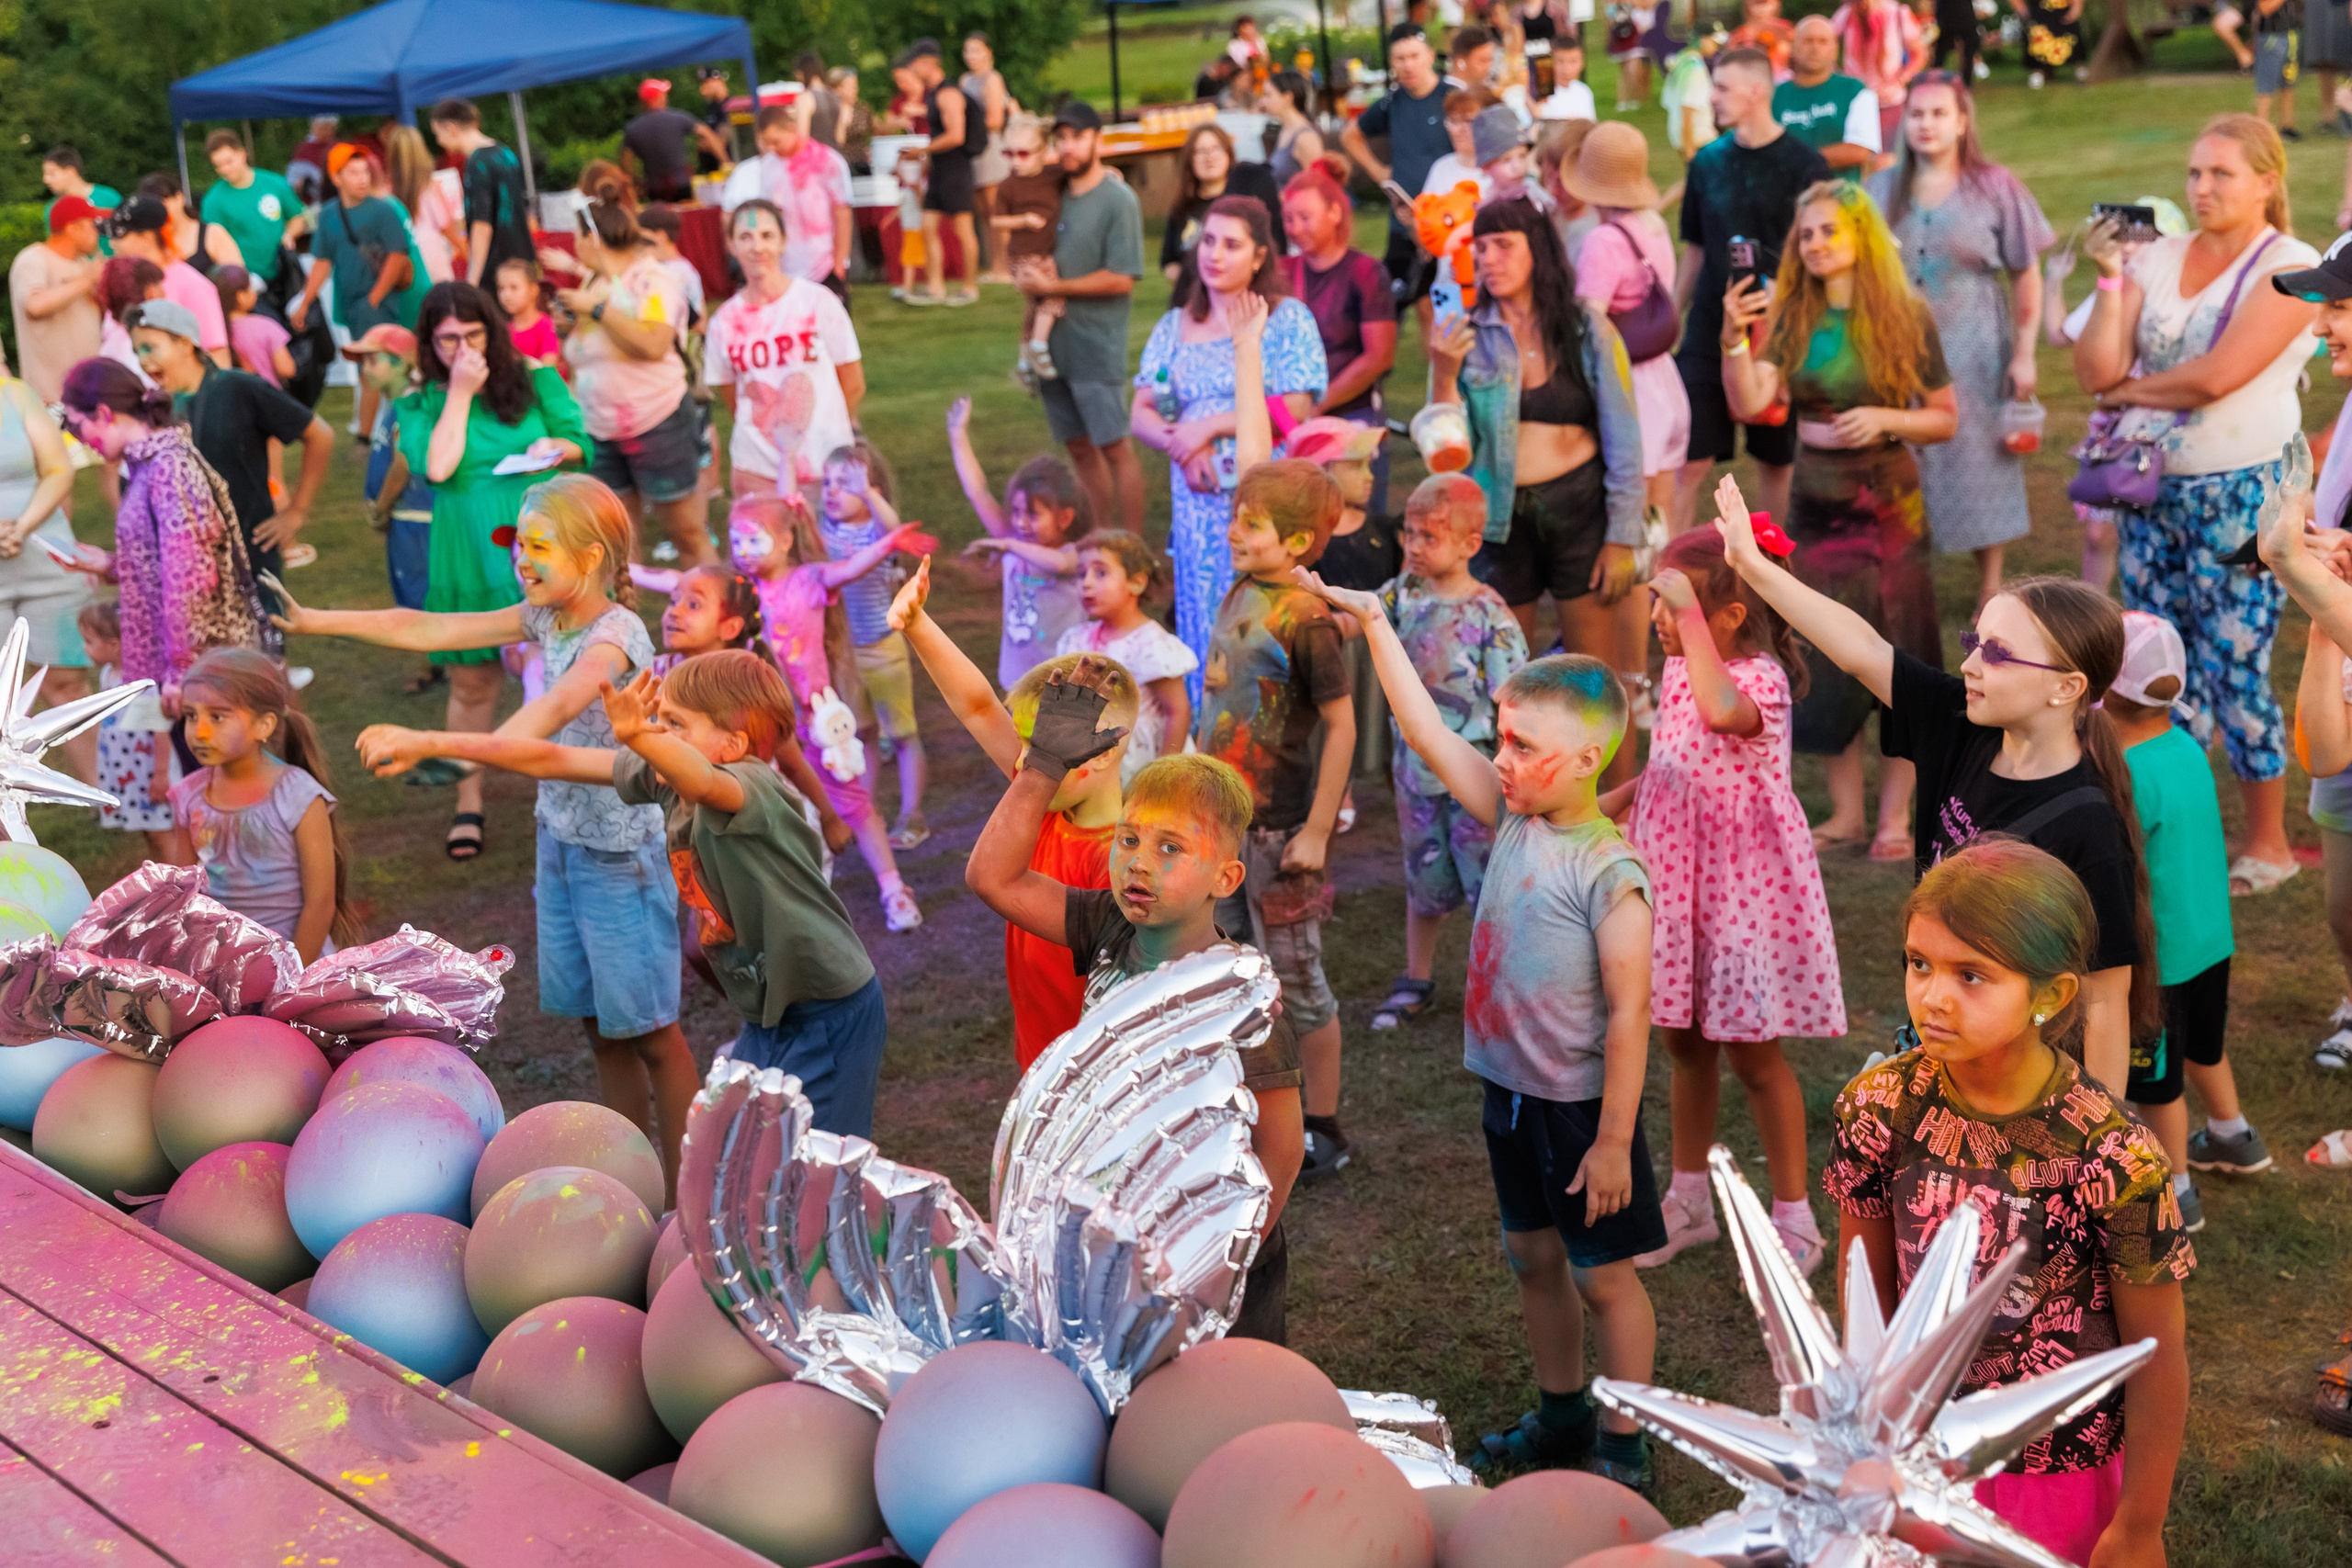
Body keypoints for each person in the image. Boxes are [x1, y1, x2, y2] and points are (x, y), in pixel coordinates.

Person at [1314, 555, 1667, 1483]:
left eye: (1520, 746)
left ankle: (1625, 1444)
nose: (1499, 760)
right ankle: (1561, 1413)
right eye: (1500, 740)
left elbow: (1631, 1017)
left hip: (1581, 1111)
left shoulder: (1609, 874)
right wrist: (1376, 627)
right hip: (1508, 1094)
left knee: (1603, 1278)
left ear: (1588, 760)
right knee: (1530, 1256)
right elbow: (1428, 732)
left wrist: (1610, 1141)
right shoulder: (1512, 821)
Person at [277, 479, 692, 1199]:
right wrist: (312, 618)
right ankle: (635, 1180)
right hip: (560, 843)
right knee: (600, 1026)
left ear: (591, 556)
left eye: (539, 547)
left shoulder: (615, 635)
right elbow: (429, 629)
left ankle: (693, 1194)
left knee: (653, 1032)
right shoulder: (544, 616)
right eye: (519, 546)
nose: (522, 561)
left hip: (620, 856)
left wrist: (437, 742)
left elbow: (561, 704)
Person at [1715, 474, 2157, 1104]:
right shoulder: (1963, 725)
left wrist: (2101, 1137)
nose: (1972, 663)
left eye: (1999, 653)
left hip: (2021, 1081)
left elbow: (2108, 1001)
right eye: (1975, 641)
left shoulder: (2086, 826)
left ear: (2066, 688)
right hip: (1945, 1044)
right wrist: (1753, 569)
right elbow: (1863, 649)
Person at [1824, 839, 2191, 1568]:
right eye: (1918, 962)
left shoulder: (2115, 1157)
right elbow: (1862, 1292)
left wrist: (2141, 1522)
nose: (1932, 995)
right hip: (1916, 1457)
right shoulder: (1878, 1107)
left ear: (2050, 996)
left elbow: (2157, 1358)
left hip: (2058, 1469)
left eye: (1972, 975)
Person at [966, 725, 1306, 1344]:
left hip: (1213, 1264)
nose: (1138, 862)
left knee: (1214, 1414)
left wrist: (1220, 1261)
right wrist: (1042, 765)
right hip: (1114, 1231)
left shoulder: (1243, 1002)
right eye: (1129, 838)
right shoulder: (1109, 926)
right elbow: (995, 877)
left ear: (1225, 878)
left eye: (1170, 848)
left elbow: (1281, 1147)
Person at [2071, 113, 2319, 896]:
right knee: (2152, 662)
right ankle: (2177, 829)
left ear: (2267, 181)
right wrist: (2112, 279)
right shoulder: (2159, 254)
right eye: (2194, 174)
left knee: (2236, 661)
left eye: (2222, 174)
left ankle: (2270, 841)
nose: (2202, 188)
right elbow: (2093, 366)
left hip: (2241, 489)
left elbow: (2219, 376)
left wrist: (2126, 389)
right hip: (2150, 491)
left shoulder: (2291, 262)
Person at [1617, 525, 1841, 1274]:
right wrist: (1595, 802)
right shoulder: (1683, 670)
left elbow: (1721, 713)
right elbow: (1666, 768)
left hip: (1741, 893)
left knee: (1754, 1057)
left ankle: (1795, 1216)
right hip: (1677, 883)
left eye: (1672, 602)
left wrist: (1687, 624)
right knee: (1682, 1044)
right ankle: (1689, 1201)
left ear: (1731, 616)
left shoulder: (1757, 682)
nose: (1657, 616)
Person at [1720, 181, 1952, 856]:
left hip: (1887, 499)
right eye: (1807, 234)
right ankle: (1847, 813)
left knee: (1899, 649)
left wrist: (1887, 417)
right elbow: (1750, 402)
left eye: (1829, 232)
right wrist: (1734, 338)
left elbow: (1945, 417)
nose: (1816, 245)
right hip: (1816, 500)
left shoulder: (1906, 314)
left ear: (1860, 238)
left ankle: (1894, 820)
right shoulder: (1792, 315)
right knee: (1817, 648)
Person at [888, 556, 1127, 1061]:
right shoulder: (1040, 799)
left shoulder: (1121, 863)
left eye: (1041, 747)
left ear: (1099, 753)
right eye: (1024, 743)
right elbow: (978, 707)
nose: (1022, 761)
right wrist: (917, 624)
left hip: (1089, 1077)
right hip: (1037, 1057)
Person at [1193, 457, 1357, 1183]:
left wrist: (1317, 829)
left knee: (1298, 979)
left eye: (1250, 524)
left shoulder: (1307, 619)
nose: (1233, 531)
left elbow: (1343, 727)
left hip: (1279, 829)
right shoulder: (1241, 589)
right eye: (1236, 516)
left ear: (1295, 541)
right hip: (1221, 822)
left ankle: (1323, 1124)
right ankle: (1247, 1106)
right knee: (1228, 966)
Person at [1425, 197, 1645, 726]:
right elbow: (1442, 449)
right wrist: (1442, 373)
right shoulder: (1465, 336)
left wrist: (1622, 538)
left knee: (1596, 682)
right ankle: (1521, 804)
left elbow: (1625, 437)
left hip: (1580, 511)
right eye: (1480, 248)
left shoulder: (1585, 330)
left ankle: (1615, 809)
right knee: (1507, 682)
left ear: (1538, 250)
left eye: (1504, 245)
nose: (1488, 259)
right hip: (1501, 522)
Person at [396, 280, 594, 859]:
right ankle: (469, 800)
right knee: (474, 680)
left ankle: (574, 787)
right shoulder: (419, 403)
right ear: (430, 344)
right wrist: (459, 393)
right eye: (448, 338)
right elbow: (437, 467)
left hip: (540, 539)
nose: (463, 347)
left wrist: (557, 450)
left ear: (493, 330)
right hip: (467, 547)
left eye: (473, 334)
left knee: (559, 672)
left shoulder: (535, 379)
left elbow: (581, 441)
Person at [2101, 612, 2266, 1232]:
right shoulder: (2187, 746)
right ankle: (2233, 1134)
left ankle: (2175, 1190)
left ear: (2102, 690)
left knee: (2155, 1087)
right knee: (2204, 1046)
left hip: (2160, 956)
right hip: (2209, 939)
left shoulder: (2127, 773)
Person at [1348, 474, 1528, 1035]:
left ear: (1471, 544)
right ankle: (1416, 977)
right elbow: (1361, 618)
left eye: (1429, 537)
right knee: (1422, 879)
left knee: (1489, 885)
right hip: (1414, 775)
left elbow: (1512, 701)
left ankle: (1504, 989)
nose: (1414, 546)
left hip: (1475, 778)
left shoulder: (1490, 616)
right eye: (1409, 533)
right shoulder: (1404, 593)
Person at [1871, 73, 2053, 605]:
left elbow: (2026, 270)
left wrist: (2024, 352)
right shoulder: (1881, 189)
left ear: (1962, 121)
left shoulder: (1995, 187)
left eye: (1938, 114)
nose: (1926, 125)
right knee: (1900, 453)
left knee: (1978, 457)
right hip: (1897, 344)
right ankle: (1905, 569)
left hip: (1973, 341)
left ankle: (1990, 582)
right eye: (1916, 114)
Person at [1131, 202, 1327, 689]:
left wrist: (1210, 428)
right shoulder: (1174, 325)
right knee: (1203, 610)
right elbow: (1140, 413)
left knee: (1258, 609)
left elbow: (1296, 406)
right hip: (1196, 505)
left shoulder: (1285, 318)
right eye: (1210, 241)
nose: (1215, 254)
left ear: (1259, 256)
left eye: (1232, 244)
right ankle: (1204, 729)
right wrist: (1185, 447)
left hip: (1260, 492)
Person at [719, 491, 927, 932]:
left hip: (816, 722)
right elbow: (677, 583)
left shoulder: (810, 580)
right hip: (758, 725)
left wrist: (889, 544)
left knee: (853, 804)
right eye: (734, 541)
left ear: (785, 539)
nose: (741, 552)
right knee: (775, 812)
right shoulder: (738, 592)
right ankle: (790, 902)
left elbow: (852, 568)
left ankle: (894, 890)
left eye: (751, 540)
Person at [1673, 47, 1830, 533]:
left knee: (1776, 459)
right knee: (1688, 455)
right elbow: (1696, 250)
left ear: (1757, 91)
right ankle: (1668, 576)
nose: (1711, 98)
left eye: (1721, 88)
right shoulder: (1707, 163)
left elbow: (1818, 260)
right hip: (1709, 328)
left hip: (1779, 331)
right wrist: (1670, 320)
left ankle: (1772, 573)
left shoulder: (1806, 166)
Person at [54, 357, 266, 717]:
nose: (79, 441)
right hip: (184, 669)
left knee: (214, 769)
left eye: (77, 429)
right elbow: (164, 559)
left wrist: (184, 670)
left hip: (206, 672)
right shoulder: (147, 466)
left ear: (104, 413)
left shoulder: (168, 467)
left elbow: (190, 577)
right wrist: (108, 563)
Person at [170, 649, 359, 965]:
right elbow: (184, 896)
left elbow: (320, 903)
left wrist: (289, 975)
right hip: (219, 964)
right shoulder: (187, 796)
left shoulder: (298, 796)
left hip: (298, 963)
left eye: (217, 717)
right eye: (191, 716)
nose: (199, 732)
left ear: (264, 725)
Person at [130, 299, 333, 586]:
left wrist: (296, 512)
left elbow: (319, 435)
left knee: (260, 630)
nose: (142, 360)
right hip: (190, 566)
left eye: (150, 347)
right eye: (137, 350)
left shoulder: (238, 388)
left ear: (186, 345)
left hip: (250, 557)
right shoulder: (157, 408)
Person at [557, 173, 703, 568]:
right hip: (600, 429)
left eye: (576, 238)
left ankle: (716, 613)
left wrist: (598, 309)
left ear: (591, 239)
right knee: (617, 541)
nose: (574, 247)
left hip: (657, 422)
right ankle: (625, 623)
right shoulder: (593, 280)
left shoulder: (652, 281)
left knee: (686, 532)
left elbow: (653, 343)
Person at [1028, 102, 1148, 535]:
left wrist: (1054, 289)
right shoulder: (1052, 194)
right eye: (1060, 139)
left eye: (1076, 137)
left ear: (1097, 139)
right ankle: (1099, 537)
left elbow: (1121, 278)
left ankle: (1133, 549)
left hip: (1096, 345)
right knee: (1078, 448)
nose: (1068, 147)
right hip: (1052, 349)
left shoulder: (1119, 201)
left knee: (1115, 448)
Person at [704, 200, 865, 507]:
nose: (757, 247)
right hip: (756, 466)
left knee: (829, 551)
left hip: (825, 462)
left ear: (783, 241)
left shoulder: (818, 302)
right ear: (731, 244)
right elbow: (733, 397)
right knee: (766, 552)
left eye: (767, 235)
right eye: (745, 237)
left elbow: (853, 382)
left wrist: (822, 425)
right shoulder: (723, 322)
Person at [1569, 121, 1689, 528]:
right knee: (1664, 509)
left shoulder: (1603, 240)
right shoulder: (1652, 225)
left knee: (1634, 513)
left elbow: (1591, 320)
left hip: (1629, 382)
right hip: (1665, 379)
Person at [812, 440, 928, 849]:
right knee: (860, 734)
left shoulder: (877, 533)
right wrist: (789, 456)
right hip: (846, 652)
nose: (831, 490)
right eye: (828, 481)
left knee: (902, 735)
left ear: (871, 488)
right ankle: (865, 813)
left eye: (846, 483)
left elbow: (895, 529)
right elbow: (791, 505)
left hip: (882, 651)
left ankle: (912, 815)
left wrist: (869, 495)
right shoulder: (825, 530)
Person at [1280, 157, 1400, 516]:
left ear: (1335, 213)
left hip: (1353, 416)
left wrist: (1319, 404)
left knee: (1357, 519)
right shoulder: (1282, 272)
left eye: (1305, 218)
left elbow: (1378, 357)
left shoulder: (1365, 273)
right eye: (1288, 219)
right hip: (1296, 420)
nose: (1294, 228)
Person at [946, 396, 1091, 686]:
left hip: (1066, 687)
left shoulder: (1075, 556)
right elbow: (978, 492)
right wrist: (957, 435)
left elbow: (1060, 564)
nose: (1020, 522)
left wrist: (1009, 545)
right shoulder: (1012, 540)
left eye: (1033, 514)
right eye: (1015, 512)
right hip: (1018, 682)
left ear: (1064, 518)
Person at [293, 147, 424, 438]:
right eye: (353, 173)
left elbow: (398, 255)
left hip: (384, 306)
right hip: (352, 306)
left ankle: (373, 434)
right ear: (336, 177)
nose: (362, 178)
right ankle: (377, 433)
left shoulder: (382, 209)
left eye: (365, 171)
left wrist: (376, 297)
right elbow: (322, 262)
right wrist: (305, 303)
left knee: (383, 370)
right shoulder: (328, 215)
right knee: (372, 371)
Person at [0, 370, 92, 781]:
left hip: (45, 562)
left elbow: (58, 469)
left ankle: (110, 796)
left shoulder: (17, 395)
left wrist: (21, 527)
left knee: (67, 683)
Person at [1053, 533, 1195, 785]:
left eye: (1100, 573)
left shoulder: (1149, 644)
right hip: (1089, 763)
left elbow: (1178, 711)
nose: (1086, 583)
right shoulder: (1076, 639)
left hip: (1137, 764)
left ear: (1136, 583)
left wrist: (1163, 775)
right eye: (1081, 573)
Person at [1344, 26, 1455, 346]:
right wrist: (1379, 171)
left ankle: (1451, 374)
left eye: (1414, 57)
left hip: (1447, 225)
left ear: (1430, 57)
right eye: (1400, 58)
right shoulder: (1391, 104)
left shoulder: (1450, 98)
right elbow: (1351, 135)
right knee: (1409, 303)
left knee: (1445, 302)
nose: (1408, 65)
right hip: (1403, 226)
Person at [719, 106, 854, 301]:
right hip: (786, 266)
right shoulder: (769, 165)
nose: (772, 148)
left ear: (791, 129)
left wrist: (840, 263)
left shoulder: (828, 161)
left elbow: (842, 213)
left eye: (776, 141)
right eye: (766, 143)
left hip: (824, 262)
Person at [81, 600, 176, 857]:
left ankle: (184, 884)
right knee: (147, 830)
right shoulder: (108, 675)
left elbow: (160, 730)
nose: (84, 648)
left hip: (147, 768)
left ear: (114, 645)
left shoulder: (141, 684)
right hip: (125, 766)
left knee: (162, 831)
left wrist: (161, 775)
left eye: (89, 641)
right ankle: (163, 884)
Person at [899, 39, 982, 308]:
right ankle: (935, 287)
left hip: (956, 169)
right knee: (928, 226)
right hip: (938, 170)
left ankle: (970, 287)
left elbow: (956, 135)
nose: (913, 73)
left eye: (915, 67)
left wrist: (923, 151)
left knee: (962, 229)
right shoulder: (932, 94)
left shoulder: (948, 94)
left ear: (928, 63)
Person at [1160, 125, 1287, 296]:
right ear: (1190, 159)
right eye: (1201, 151)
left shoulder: (1243, 203)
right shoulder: (1183, 206)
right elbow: (1168, 261)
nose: (1210, 157)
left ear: (1228, 153)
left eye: (1216, 149)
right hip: (1194, 298)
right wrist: (1197, 278)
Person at [107, 196, 232, 369]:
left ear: (146, 238)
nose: (112, 244)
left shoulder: (192, 285)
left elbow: (217, 355)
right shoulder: (123, 281)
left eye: (119, 236)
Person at [992, 116, 1067, 387]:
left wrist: (1106, 173)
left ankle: (1024, 364)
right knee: (1052, 296)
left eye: (1023, 154)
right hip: (1023, 255)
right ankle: (1038, 345)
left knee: (1035, 309)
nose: (1015, 161)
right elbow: (996, 220)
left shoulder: (1053, 176)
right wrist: (1023, 220)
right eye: (1008, 154)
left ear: (1043, 152)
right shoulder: (1008, 186)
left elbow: (1078, 178)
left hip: (1043, 252)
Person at [430, 99, 537, 288]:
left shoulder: (478, 163)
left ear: (450, 128)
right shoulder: (505, 153)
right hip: (522, 261)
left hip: (498, 272)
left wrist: (473, 278)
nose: (439, 141)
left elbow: (482, 224)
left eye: (438, 133)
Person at [11, 196, 104, 403]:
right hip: (50, 399)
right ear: (73, 228)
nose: (98, 233)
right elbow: (34, 305)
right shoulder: (33, 258)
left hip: (90, 395)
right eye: (92, 225)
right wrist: (86, 282)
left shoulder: (83, 264)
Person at [1774, 15, 1884, 172]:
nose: (1815, 48)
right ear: (1793, 47)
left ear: (1835, 50)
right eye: (1808, 41)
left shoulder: (1856, 91)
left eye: (1823, 41)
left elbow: (1859, 150)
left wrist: (1795, 160)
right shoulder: (1774, 95)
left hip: (1839, 191)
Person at [962, 34, 1017, 284]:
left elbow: (995, 120)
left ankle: (1005, 267)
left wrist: (968, 129)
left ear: (988, 53)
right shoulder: (965, 81)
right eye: (968, 51)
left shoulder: (993, 80)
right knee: (984, 212)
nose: (971, 56)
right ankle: (994, 265)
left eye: (976, 50)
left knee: (997, 209)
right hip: (973, 148)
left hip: (990, 147)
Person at [1832, 0, 1926, 145]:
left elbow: (1919, 54)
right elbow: (1826, 40)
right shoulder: (1847, 13)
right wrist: (1836, 75)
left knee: (1885, 159)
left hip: (1889, 100)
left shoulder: (1898, 13)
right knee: (1857, 153)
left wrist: (1901, 80)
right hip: (1856, 99)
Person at [622, 77, 726, 205]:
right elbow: (707, 134)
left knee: (661, 222)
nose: (666, 98)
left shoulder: (633, 128)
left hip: (655, 190)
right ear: (657, 98)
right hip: (682, 185)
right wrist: (724, 160)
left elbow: (626, 162)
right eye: (664, 94)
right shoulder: (678, 118)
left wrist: (636, 182)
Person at [383, 125, 463, 287]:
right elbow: (446, 225)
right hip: (433, 259)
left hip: (404, 262)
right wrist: (466, 251)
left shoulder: (385, 192)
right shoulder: (429, 186)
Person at [137, 172, 242, 277]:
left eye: (163, 204)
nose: (159, 212)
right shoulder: (151, 243)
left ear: (179, 197)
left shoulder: (213, 233)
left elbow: (237, 278)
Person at [218, 267, 293, 390]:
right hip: (266, 396)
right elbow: (287, 369)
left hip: (230, 397)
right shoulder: (266, 325)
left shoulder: (214, 329)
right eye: (251, 289)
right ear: (241, 296)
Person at [1261, 70, 1328, 184]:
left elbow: (1319, 184)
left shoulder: (1306, 137)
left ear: (1288, 98)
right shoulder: (1286, 131)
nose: (1263, 101)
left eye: (1268, 95)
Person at [40, 147, 120, 239]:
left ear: (71, 172)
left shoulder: (109, 198)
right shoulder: (53, 208)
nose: (45, 180)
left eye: (51, 174)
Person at [496, 258, 562, 366]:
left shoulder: (547, 326)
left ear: (533, 290)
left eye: (514, 288)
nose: (506, 295)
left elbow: (548, 368)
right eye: (501, 288)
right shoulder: (504, 332)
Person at [2018, 0, 2087, 89]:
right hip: (2038, 10)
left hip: (2063, 7)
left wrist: (2077, 8)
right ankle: (2037, 71)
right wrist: (2019, 7)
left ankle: (2079, 67)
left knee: (2071, 36)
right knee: (2036, 36)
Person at [1728, 0, 1797, 73]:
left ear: (1776, 4)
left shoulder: (1786, 30)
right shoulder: (1739, 35)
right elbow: (1732, 60)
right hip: (1750, 76)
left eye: (1766, 3)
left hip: (1782, 78)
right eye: (1757, 4)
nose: (1762, 8)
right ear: (1747, 6)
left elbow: (1797, 55)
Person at [830, 67, 876, 174]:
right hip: (840, 165)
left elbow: (871, 132)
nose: (855, 90)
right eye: (850, 87)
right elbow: (838, 141)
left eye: (855, 86)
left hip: (862, 165)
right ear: (838, 88)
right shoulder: (831, 111)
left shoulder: (863, 109)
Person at [287, 117, 341, 202]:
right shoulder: (303, 149)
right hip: (312, 202)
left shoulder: (339, 147)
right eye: (324, 128)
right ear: (313, 127)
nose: (328, 132)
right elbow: (294, 181)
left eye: (331, 129)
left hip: (336, 198)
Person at [695, 67, 739, 173]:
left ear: (718, 80)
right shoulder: (711, 107)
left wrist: (712, 141)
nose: (703, 88)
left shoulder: (731, 105)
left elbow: (724, 135)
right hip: (712, 168)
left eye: (707, 82)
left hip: (731, 166)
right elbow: (703, 143)